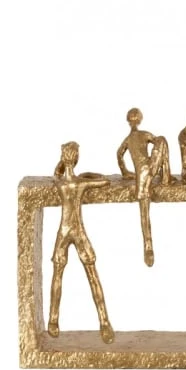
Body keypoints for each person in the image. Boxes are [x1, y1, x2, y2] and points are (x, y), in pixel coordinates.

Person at [49, 141, 114, 344]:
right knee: (92, 275)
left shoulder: (59, 183)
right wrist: (88, 175)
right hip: (78, 232)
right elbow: (104, 181)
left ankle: (53, 321)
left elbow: (56, 173)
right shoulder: (80, 183)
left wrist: (62, 164)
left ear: (63, 158)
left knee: (57, 275)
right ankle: (104, 322)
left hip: (63, 232)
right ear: (76, 159)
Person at [117, 108, 174, 267]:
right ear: (140, 120)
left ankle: (148, 245)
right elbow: (159, 144)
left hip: (143, 173)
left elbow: (119, 154)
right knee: (162, 140)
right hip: (150, 168)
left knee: (144, 210)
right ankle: (166, 176)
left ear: (128, 121)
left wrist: (125, 172)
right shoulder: (144, 134)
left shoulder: (128, 139)